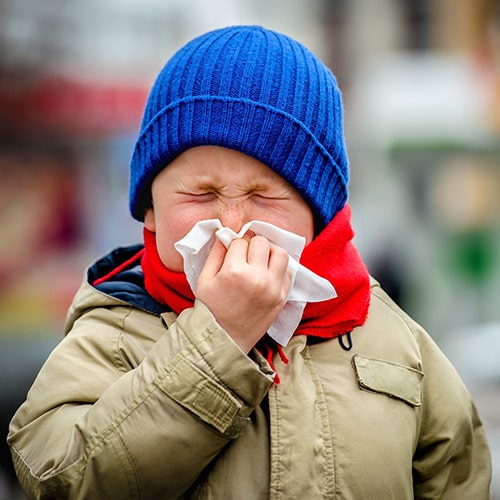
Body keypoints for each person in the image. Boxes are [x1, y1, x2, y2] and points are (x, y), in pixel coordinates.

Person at [8, 25, 492, 499]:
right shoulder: (111, 333)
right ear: (151, 211)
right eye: (202, 193)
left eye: (264, 195)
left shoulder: (394, 341)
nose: (233, 222)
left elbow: (459, 478)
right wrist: (219, 340)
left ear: (319, 214)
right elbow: (59, 478)